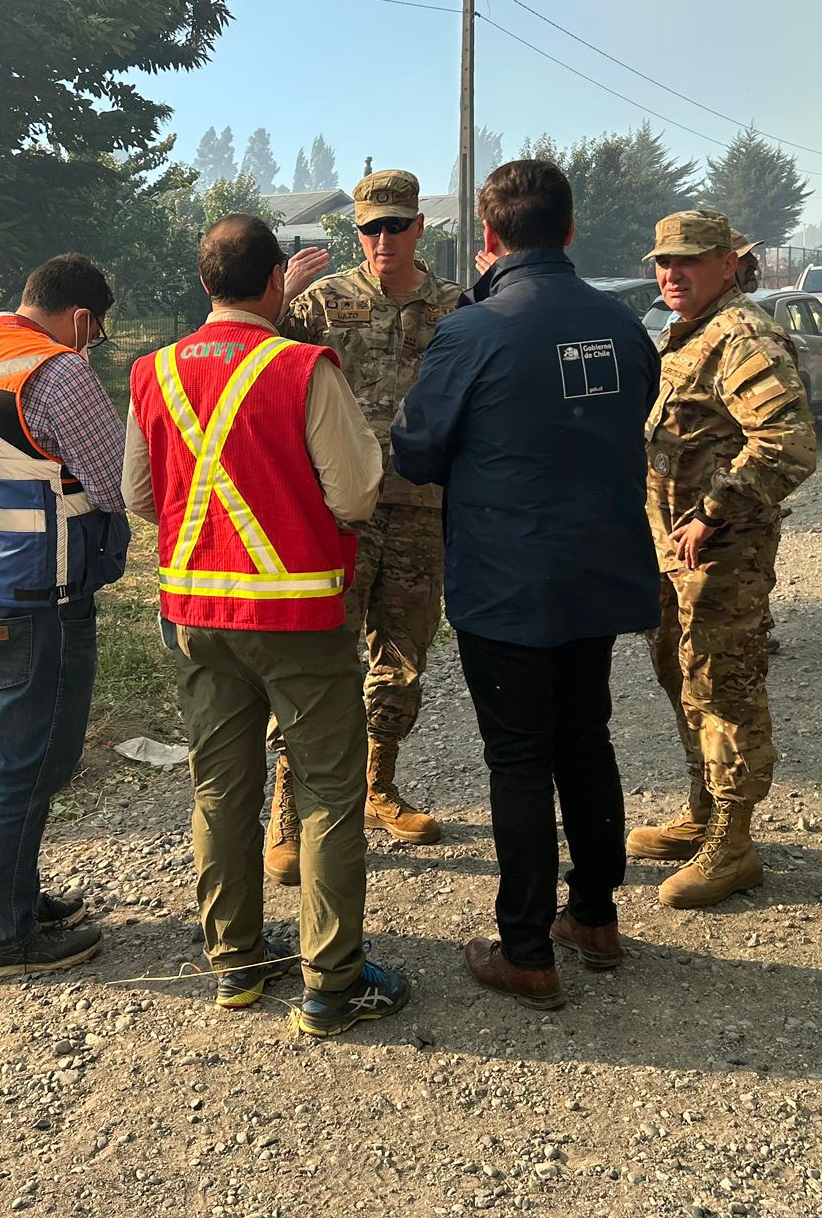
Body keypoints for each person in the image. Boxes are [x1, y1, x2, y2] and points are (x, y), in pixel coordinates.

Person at [125, 215, 411, 1037]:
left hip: (194, 616)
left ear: (205, 281)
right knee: (326, 792)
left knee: (220, 789)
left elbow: (140, 496)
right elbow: (356, 494)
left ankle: (237, 967)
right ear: (276, 279)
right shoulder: (300, 367)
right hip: (295, 616)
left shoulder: (155, 372)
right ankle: (331, 982)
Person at [392, 159, 661, 1011]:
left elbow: (416, 449)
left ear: (488, 237)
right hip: (597, 572)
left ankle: (525, 952)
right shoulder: (622, 323)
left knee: (517, 757)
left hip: (509, 581)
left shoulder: (473, 331)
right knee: (587, 738)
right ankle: (595, 917)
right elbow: (631, 413)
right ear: (571, 231)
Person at [0, 254, 129, 977]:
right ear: (81, 317)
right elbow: (114, 481)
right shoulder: (59, 371)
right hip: (38, 601)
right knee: (33, 765)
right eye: (95, 332)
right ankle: (4, 939)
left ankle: (13, 895)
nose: (90, 345)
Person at [262, 168, 463, 880]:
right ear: (357, 232)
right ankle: (290, 805)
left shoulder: (456, 306)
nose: (383, 239)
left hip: (420, 508)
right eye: (371, 227)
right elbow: (257, 363)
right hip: (335, 511)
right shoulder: (320, 304)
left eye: (397, 225)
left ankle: (379, 786)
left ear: (418, 228)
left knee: (402, 658)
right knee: (317, 659)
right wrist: (282, 291)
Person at [633, 209, 815, 909]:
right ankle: (702, 811)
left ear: (727, 264)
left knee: (723, 686)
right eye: (663, 261)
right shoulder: (689, 334)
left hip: (723, 555)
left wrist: (713, 510)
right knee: (681, 676)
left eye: (689, 261)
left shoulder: (743, 335)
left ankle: (734, 844)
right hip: (674, 554)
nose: (672, 273)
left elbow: (787, 444)